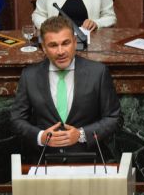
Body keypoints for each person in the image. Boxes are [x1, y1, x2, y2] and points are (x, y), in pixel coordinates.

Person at [11, 16, 122, 155]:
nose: (61, 51)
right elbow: (17, 119)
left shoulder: (98, 73)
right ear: (44, 48)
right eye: (53, 45)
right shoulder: (29, 76)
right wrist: (41, 137)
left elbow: (114, 118)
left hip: (88, 159)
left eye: (66, 43)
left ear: (75, 43)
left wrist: (81, 135)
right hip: (45, 160)